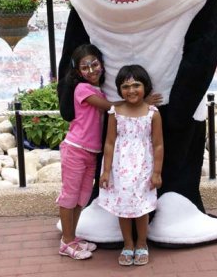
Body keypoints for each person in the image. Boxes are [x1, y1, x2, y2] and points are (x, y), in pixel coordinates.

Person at [57, 46, 162, 260]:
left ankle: (72, 238)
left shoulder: (99, 90)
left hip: (91, 152)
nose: (91, 70)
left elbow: (157, 142)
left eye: (94, 64)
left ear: (102, 65)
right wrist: (143, 102)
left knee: (81, 197)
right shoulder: (83, 90)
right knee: (70, 196)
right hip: (76, 149)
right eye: (84, 67)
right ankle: (66, 242)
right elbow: (109, 107)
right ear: (78, 71)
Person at [98, 65, 164, 266]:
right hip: (120, 169)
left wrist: (157, 172)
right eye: (125, 86)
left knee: (141, 208)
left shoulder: (152, 113)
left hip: (144, 167)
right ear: (119, 89)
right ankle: (127, 244)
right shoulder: (114, 112)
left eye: (136, 85)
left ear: (146, 87)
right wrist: (107, 171)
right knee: (123, 207)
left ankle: (142, 243)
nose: (131, 90)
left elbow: (158, 144)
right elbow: (109, 142)